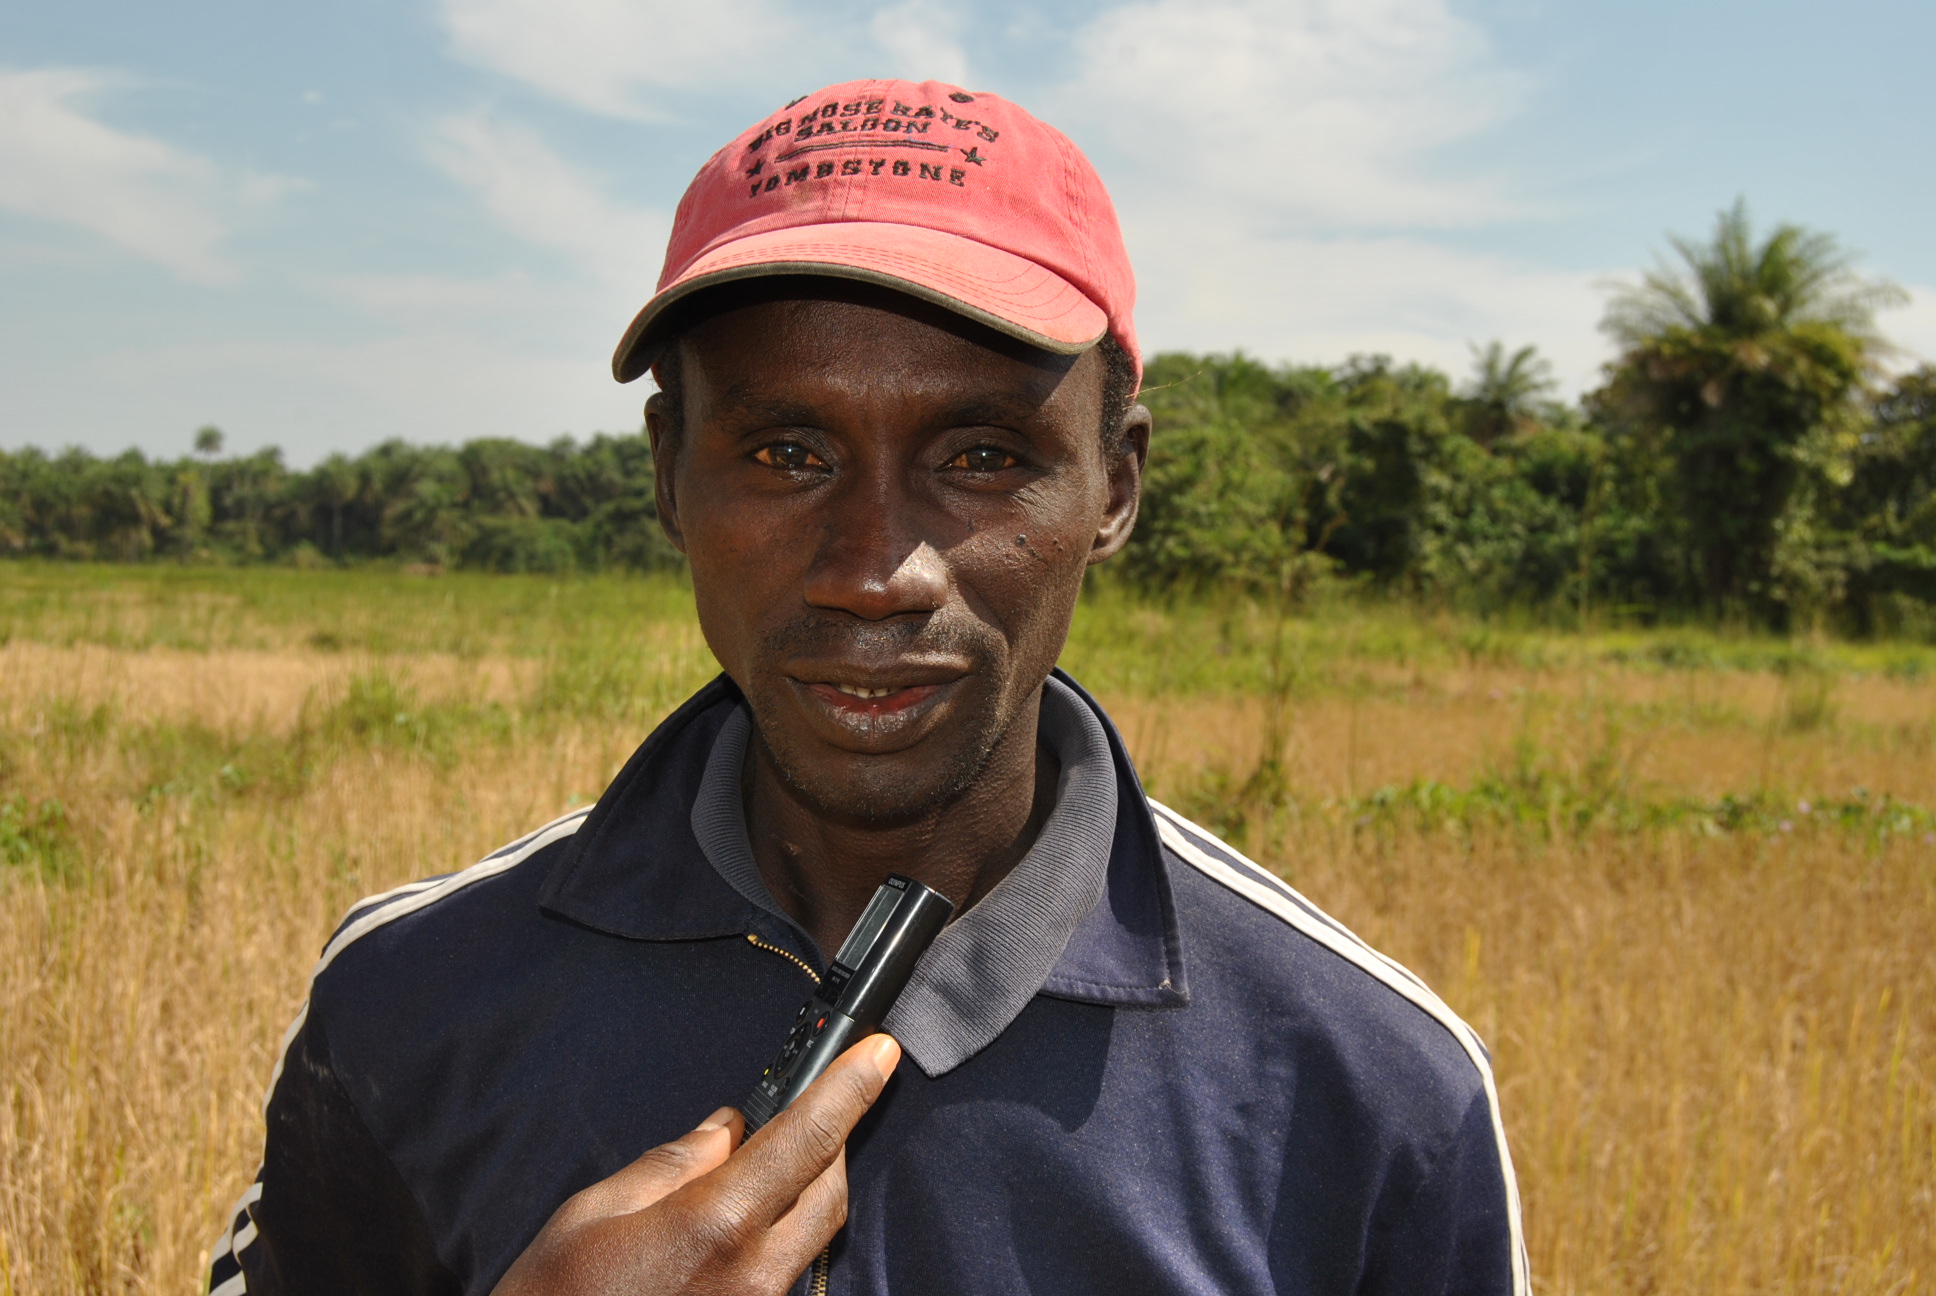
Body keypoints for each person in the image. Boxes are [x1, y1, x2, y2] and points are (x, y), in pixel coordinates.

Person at [207, 78, 1526, 1296]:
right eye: (788, 452)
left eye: (982, 456)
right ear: (668, 473)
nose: (877, 572)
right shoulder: (411, 999)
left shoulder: (1373, 1093)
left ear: (1114, 487)